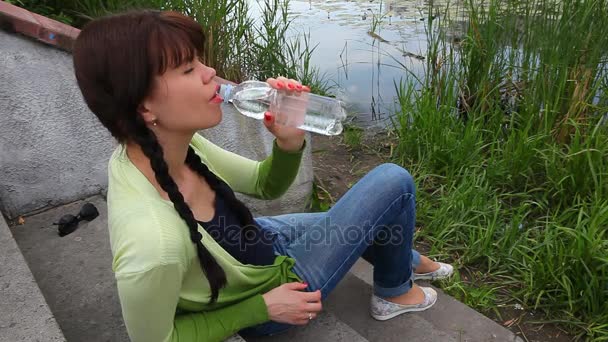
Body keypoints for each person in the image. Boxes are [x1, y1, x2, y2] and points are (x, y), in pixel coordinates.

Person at [72, 9, 454, 342]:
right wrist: (260, 309)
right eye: (189, 68)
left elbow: (263, 184)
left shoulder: (155, 148)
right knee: (393, 181)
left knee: (363, 217)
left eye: (200, 61)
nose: (211, 73)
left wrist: (288, 143)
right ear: (143, 107)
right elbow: (157, 339)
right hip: (271, 286)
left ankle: (406, 258)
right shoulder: (154, 247)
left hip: (260, 239)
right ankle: (393, 292)